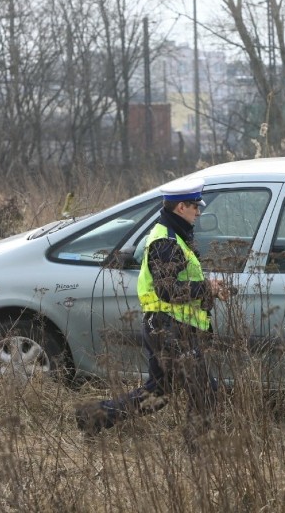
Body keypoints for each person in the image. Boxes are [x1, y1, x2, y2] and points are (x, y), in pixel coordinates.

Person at [75, 177, 231, 448]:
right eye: (196, 206)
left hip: (168, 327)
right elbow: (167, 291)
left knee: (158, 395)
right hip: (169, 330)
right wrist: (205, 288)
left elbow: (178, 283)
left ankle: (94, 417)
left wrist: (208, 288)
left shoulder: (176, 235)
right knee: (206, 391)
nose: (199, 211)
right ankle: (198, 452)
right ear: (181, 207)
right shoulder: (166, 242)